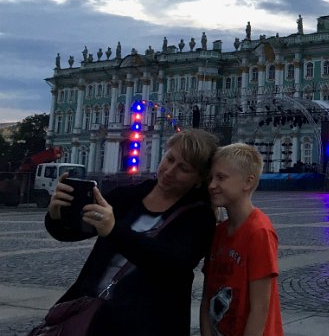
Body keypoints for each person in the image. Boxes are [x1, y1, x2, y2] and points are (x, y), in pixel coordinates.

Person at [37, 129, 218, 336]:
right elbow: (71, 232)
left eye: (183, 168)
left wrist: (114, 230)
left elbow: (171, 262)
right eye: (169, 159)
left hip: (150, 325)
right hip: (95, 319)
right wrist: (56, 215)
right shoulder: (128, 196)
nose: (169, 171)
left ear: (199, 179)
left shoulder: (198, 216)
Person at [201, 144, 284, 336]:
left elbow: (259, 310)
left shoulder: (259, 231)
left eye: (221, 178)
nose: (212, 185)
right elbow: (207, 298)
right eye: (211, 178)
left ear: (247, 182)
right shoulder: (219, 232)